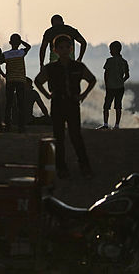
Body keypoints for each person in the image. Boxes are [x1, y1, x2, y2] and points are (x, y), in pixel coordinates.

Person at [34, 35, 95, 179]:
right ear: (55, 50)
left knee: (76, 136)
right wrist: (48, 95)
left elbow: (91, 80)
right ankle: (61, 168)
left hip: (72, 104)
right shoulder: (51, 68)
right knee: (59, 137)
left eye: (67, 47)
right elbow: (38, 81)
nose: (64, 50)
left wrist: (83, 95)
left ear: (71, 49)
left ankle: (85, 166)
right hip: (58, 104)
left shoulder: (78, 66)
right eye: (61, 48)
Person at [3, 34, 32, 133]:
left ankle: (7, 125)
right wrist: (21, 41)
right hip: (20, 80)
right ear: (19, 43)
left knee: (9, 103)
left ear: (10, 42)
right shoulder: (21, 52)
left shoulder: (6, 54)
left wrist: (3, 74)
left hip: (10, 80)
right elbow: (28, 46)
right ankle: (21, 126)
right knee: (21, 103)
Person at [100, 41, 130, 130]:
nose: (110, 51)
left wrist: (106, 84)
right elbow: (127, 75)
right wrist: (121, 81)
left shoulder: (109, 61)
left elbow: (106, 74)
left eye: (111, 49)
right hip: (120, 87)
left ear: (115, 50)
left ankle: (105, 124)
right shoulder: (124, 62)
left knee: (106, 106)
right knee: (118, 106)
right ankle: (117, 125)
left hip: (110, 87)